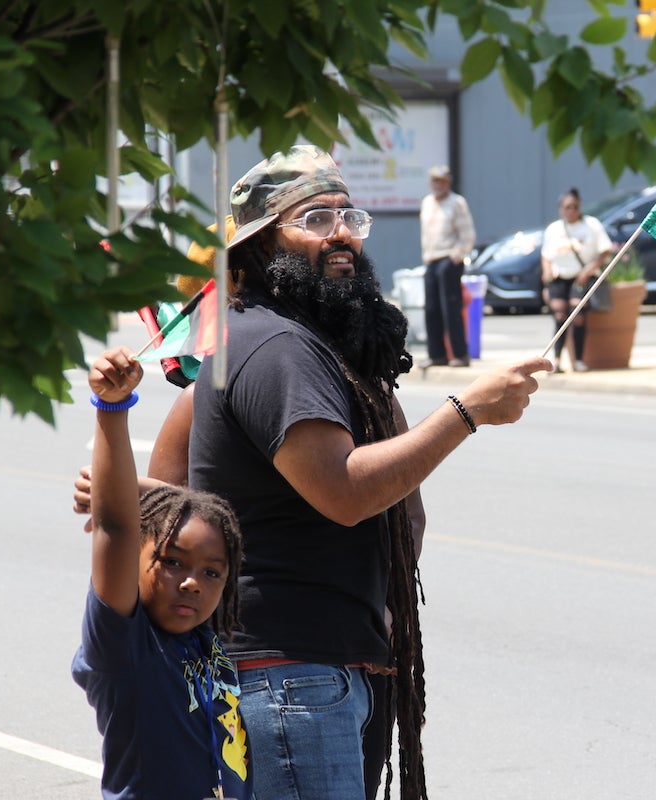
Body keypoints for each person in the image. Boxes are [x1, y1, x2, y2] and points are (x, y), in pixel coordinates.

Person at [188, 145, 550, 800]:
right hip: (289, 676)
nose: (342, 233)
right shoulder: (274, 346)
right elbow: (345, 491)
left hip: (316, 669)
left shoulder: (300, 344)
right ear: (263, 244)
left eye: (348, 215)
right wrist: (466, 412)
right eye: (316, 218)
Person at [71, 346, 251, 800]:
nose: (193, 581)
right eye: (172, 562)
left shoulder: (207, 639)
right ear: (136, 559)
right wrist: (112, 408)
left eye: (213, 573)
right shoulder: (125, 646)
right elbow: (115, 524)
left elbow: (222, 519)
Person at [539, 187, 613, 373]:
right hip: (559, 276)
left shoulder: (592, 224)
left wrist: (589, 270)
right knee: (559, 314)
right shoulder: (554, 229)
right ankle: (556, 359)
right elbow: (546, 255)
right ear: (561, 209)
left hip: (581, 278)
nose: (571, 211)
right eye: (567, 207)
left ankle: (578, 360)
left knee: (577, 314)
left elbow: (605, 250)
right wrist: (546, 271)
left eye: (575, 207)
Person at [420, 164, 476, 367]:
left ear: (448, 182)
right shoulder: (427, 202)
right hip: (431, 258)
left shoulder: (456, 203)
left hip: (449, 259)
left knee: (451, 308)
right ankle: (437, 354)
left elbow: (467, 234)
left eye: (441, 181)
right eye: (435, 180)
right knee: (431, 308)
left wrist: (456, 256)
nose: (438, 184)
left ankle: (460, 354)